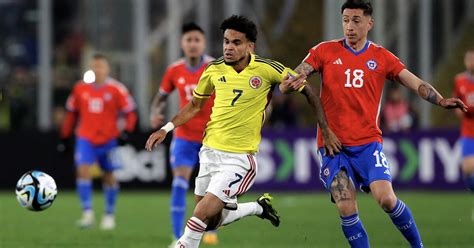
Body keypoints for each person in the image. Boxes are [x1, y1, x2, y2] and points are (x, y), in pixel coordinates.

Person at [283, 0, 467, 247]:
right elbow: (298, 73)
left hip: (368, 144)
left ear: (370, 23)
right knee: (346, 206)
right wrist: (290, 80)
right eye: (346, 20)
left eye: (356, 21)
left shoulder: (381, 57)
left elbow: (414, 82)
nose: (349, 26)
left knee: (386, 199)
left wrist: (441, 100)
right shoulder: (324, 51)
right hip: (332, 146)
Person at [146, 15, 339, 248]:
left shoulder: (267, 69)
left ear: (250, 46)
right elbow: (195, 106)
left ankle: (182, 244)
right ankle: (257, 207)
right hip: (209, 152)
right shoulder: (213, 69)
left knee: (200, 213)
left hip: (238, 159)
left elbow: (307, 90)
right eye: (226, 41)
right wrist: (166, 128)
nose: (228, 47)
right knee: (210, 222)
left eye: (236, 42)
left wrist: (325, 128)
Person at [149, 22, 217, 246]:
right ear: (182, 44)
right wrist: (156, 113)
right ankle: (177, 235)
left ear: (203, 43)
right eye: (189, 40)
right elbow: (160, 97)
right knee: (179, 182)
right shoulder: (174, 70)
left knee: (211, 190)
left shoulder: (216, 67)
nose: (193, 44)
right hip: (184, 136)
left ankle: (210, 230)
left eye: (197, 40)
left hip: (212, 137)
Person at [59, 54, 137, 230]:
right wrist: (64, 136)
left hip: (109, 139)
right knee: (83, 170)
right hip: (85, 138)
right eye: (94, 66)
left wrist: (127, 131)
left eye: (100, 66)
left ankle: (109, 214)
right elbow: (71, 114)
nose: (97, 69)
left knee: (109, 176)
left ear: (107, 69)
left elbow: (131, 112)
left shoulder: (117, 89)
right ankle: (87, 213)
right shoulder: (80, 89)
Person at [453, 48, 474, 192]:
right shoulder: (459, 80)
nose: (471, 62)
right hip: (468, 130)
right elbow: (456, 99)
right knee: (467, 169)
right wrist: (458, 110)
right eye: (469, 59)